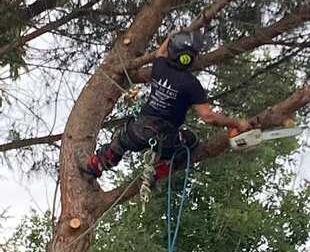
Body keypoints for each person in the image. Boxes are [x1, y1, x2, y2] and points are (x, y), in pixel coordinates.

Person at [79, 30, 248, 179]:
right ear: (189, 59)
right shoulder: (192, 84)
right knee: (190, 141)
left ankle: (95, 165)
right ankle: (159, 170)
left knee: (120, 143)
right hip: (166, 138)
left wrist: (170, 37)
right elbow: (208, 116)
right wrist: (236, 123)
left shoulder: (159, 67)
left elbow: (159, 53)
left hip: (138, 130)